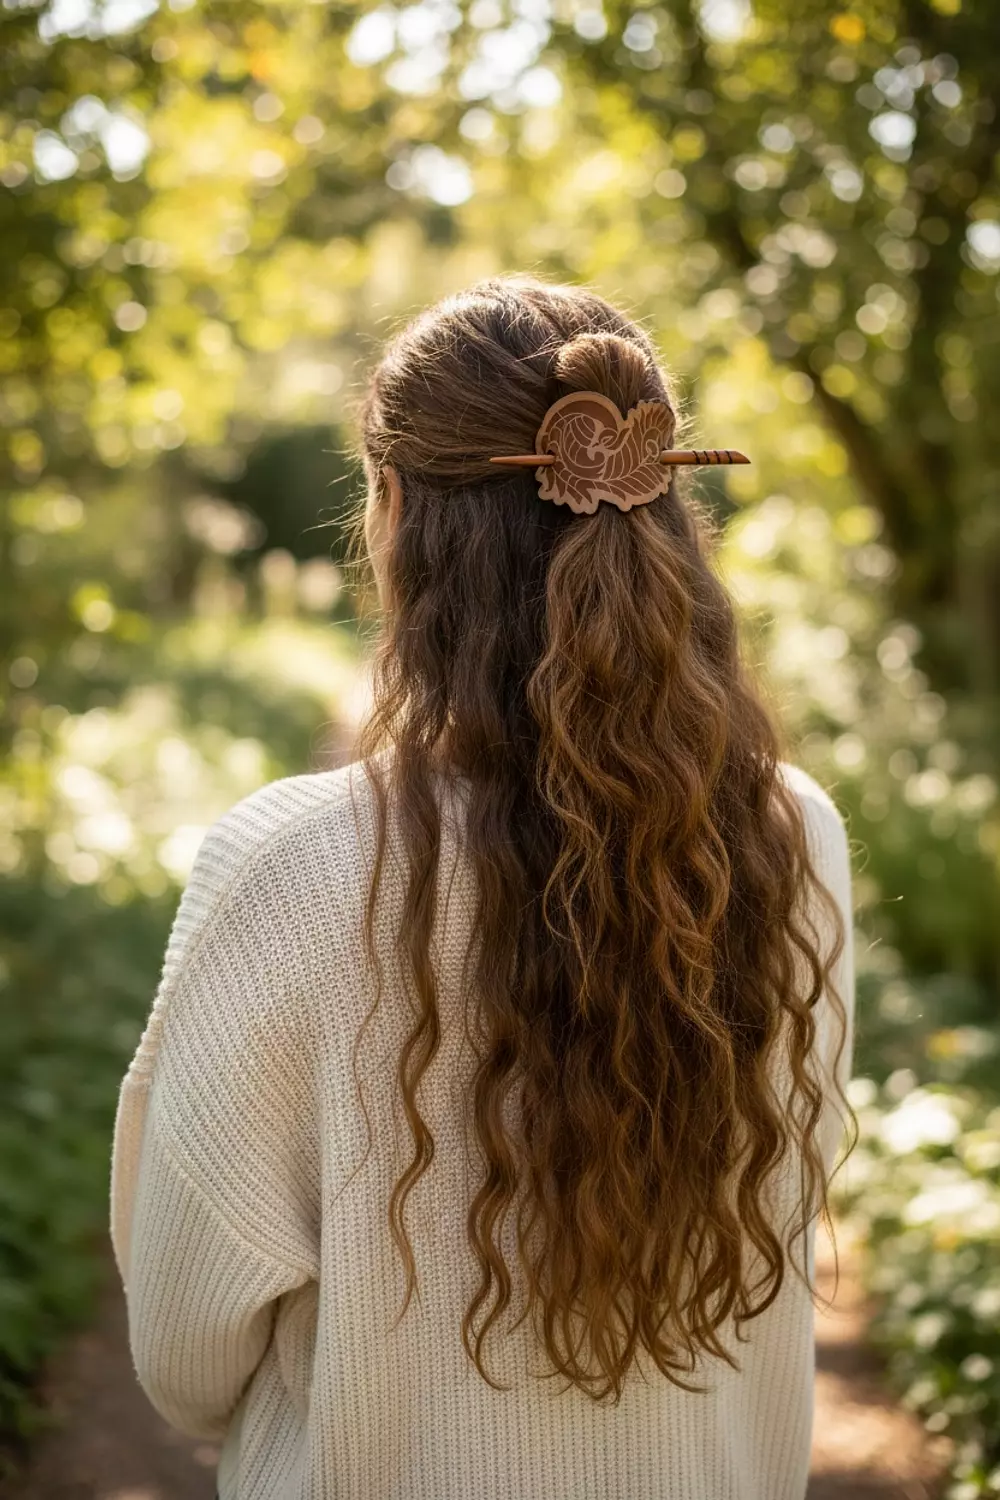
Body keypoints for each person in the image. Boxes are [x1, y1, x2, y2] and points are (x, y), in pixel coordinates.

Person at [110, 276, 855, 1500]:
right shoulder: (792, 838)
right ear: (667, 509)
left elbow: (188, 1349)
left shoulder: (290, 871)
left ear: (393, 509)